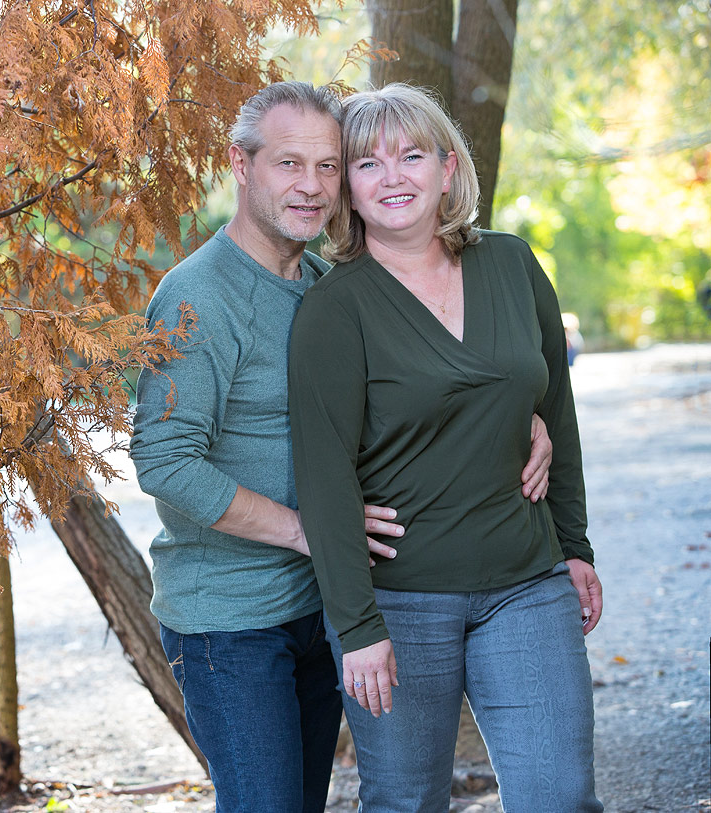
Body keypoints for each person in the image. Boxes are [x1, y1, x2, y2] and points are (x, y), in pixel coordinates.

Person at [130, 81, 553, 813]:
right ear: (241, 163)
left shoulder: (325, 285)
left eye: (329, 167)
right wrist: (315, 531)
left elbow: (398, 408)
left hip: (318, 607)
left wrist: (520, 419)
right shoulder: (197, 296)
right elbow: (164, 463)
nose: (312, 186)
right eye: (290, 164)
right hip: (230, 621)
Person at [287, 83, 603, 812]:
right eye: (367, 163)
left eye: (413, 154)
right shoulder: (335, 310)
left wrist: (575, 544)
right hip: (399, 602)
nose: (393, 175)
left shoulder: (513, 264)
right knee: (404, 801)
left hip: (527, 583)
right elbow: (325, 475)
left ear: (449, 170)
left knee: (562, 796)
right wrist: (358, 627)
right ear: (349, 193)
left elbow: (556, 407)